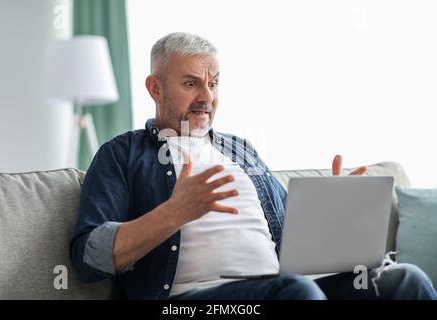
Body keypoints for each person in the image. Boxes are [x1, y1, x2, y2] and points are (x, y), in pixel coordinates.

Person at [70, 32, 437, 300]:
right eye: (191, 83)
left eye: (214, 84)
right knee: (296, 292)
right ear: (155, 88)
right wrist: (174, 213)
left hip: (280, 286)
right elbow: (89, 257)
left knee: (404, 281)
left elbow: (293, 240)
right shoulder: (121, 154)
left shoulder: (241, 151)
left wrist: (334, 213)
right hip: (191, 301)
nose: (207, 97)